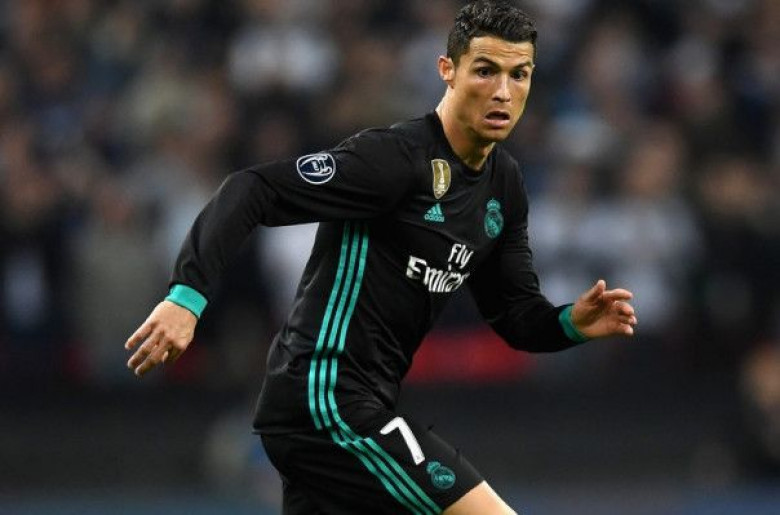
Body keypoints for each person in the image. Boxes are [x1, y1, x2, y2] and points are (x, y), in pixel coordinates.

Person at [125, 1, 638, 513]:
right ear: (448, 70)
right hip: (325, 400)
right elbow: (250, 189)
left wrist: (570, 323)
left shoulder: (503, 186)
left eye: (518, 74)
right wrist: (186, 298)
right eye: (485, 70)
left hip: (356, 405)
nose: (503, 91)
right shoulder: (395, 160)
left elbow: (514, 314)